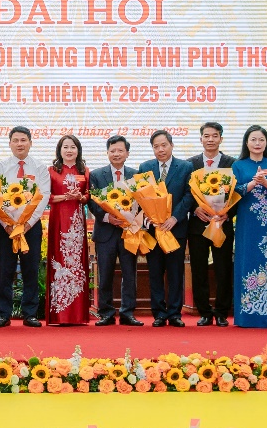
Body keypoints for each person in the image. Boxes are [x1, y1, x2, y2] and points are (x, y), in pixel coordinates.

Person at [0, 126, 50, 328]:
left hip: (30, 228)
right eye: (15, 140)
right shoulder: (0, 167)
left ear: (30, 143)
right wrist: (8, 224)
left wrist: (27, 224)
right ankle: (3, 314)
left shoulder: (40, 168)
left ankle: (30, 314)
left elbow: (44, 197)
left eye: (23, 140)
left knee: (30, 270)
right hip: (6, 228)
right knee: (5, 271)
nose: (19, 144)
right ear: (10, 143)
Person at [231, 125, 267, 328]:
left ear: (266, 143)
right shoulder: (238, 165)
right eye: (253, 139)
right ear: (246, 143)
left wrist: (265, 183)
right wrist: (253, 184)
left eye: (261, 140)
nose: (257, 143)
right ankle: (247, 315)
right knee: (247, 259)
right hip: (246, 221)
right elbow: (234, 191)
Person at [138, 130, 193, 327]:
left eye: (164, 145)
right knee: (155, 272)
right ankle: (159, 314)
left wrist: (174, 218)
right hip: (153, 230)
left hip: (175, 229)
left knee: (175, 272)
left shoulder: (186, 167)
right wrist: (149, 217)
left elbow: (189, 195)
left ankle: (175, 313)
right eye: (156, 146)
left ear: (171, 145)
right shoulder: (145, 168)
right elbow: (140, 196)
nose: (160, 149)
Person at [187, 122, 237, 326]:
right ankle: (205, 312)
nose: (210, 139)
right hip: (198, 225)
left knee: (223, 269)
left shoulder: (232, 163)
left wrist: (228, 213)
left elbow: (238, 193)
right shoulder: (190, 164)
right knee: (199, 270)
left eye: (214, 136)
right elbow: (185, 192)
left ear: (221, 139)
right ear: (201, 139)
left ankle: (222, 312)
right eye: (206, 136)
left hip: (223, 224)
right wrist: (194, 209)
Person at [89, 136, 142, 326]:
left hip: (129, 232)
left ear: (127, 153)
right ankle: (106, 313)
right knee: (105, 275)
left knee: (130, 273)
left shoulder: (136, 175)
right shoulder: (96, 175)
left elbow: (143, 201)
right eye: (112, 151)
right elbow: (92, 202)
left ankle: (128, 312)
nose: (116, 154)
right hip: (105, 232)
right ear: (107, 153)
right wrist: (107, 217)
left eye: (120, 150)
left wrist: (132, 219)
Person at [46, 135, 90, 326]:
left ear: (78, 150)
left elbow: (88, 196)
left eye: (73, 147)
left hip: (77, 223)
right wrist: (65, 197)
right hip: (58, 221)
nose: (69, 150)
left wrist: (80, 197)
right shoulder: (51, 171)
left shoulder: (84, 171)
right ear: (60, 150)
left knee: (76, 262)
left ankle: (78, 315)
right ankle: (60, 314)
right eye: (65, 147)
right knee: (60, 261)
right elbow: (47, 197)